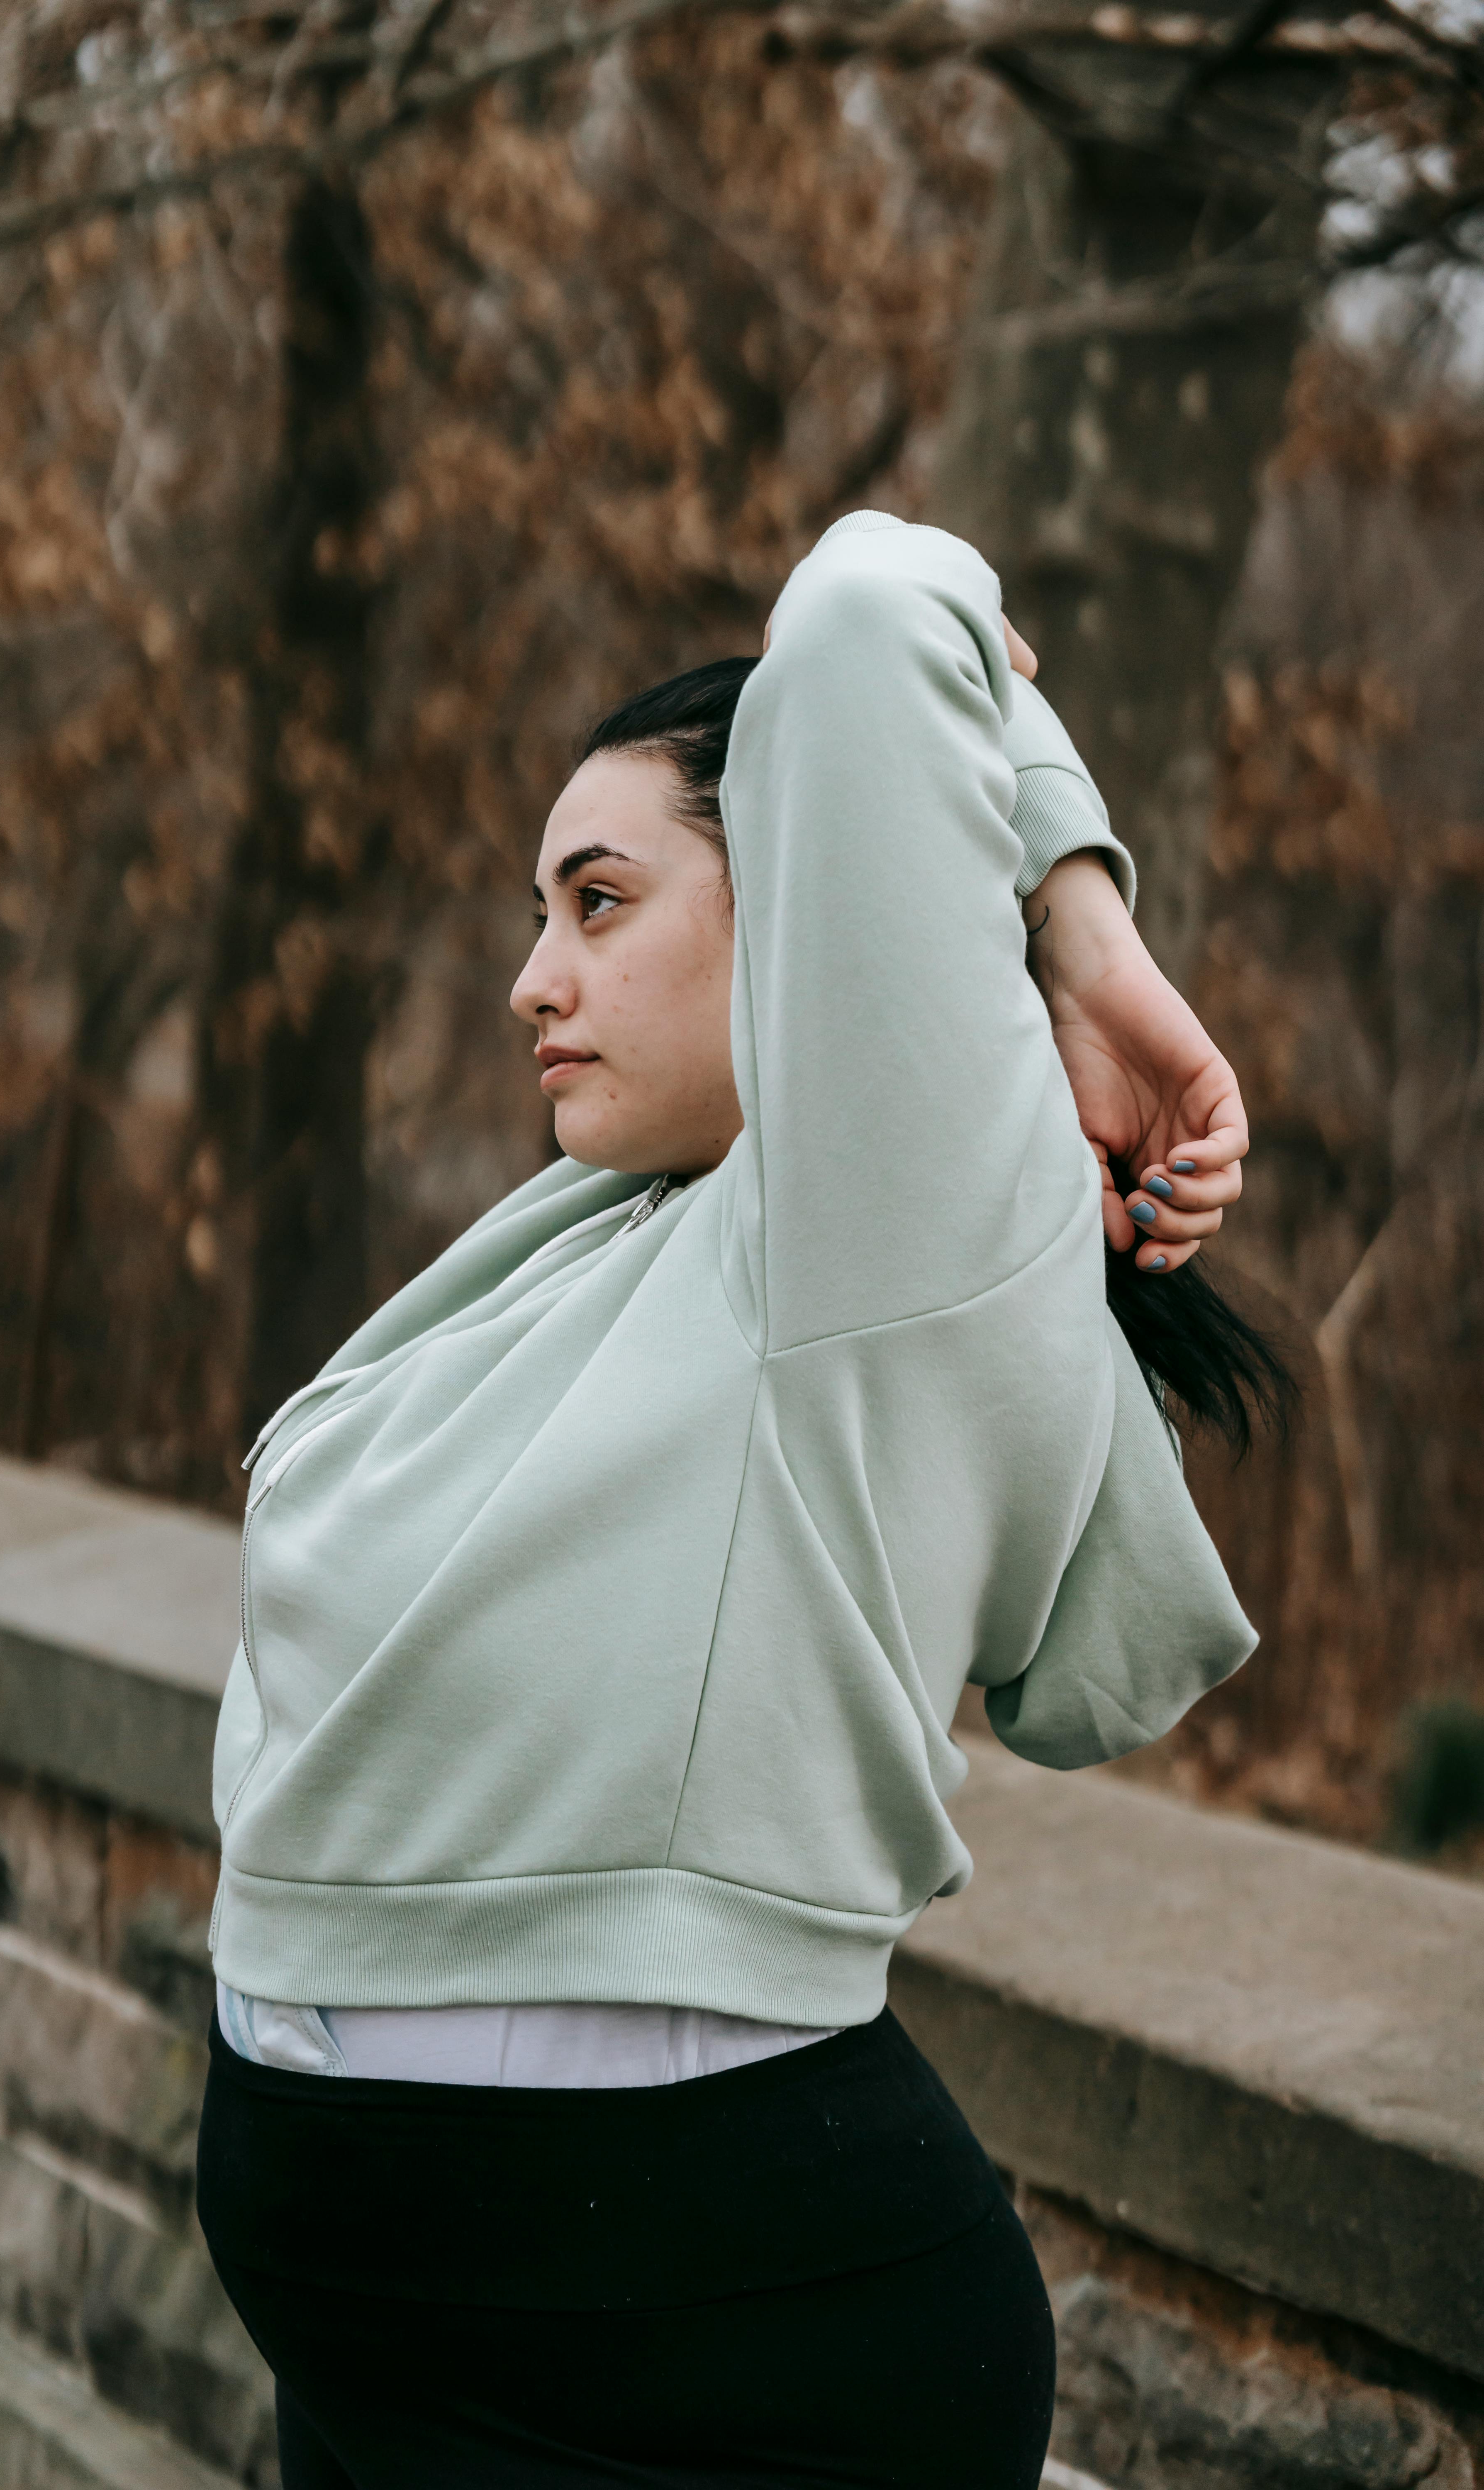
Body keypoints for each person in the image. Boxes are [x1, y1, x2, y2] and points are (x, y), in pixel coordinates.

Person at [196, 512, 1290, 2489]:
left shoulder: (864, 1237)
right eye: (536, 913)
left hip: (698, 2336)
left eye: (598, 901)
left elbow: (877, 601)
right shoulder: (601, 1238)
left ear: (795, 883)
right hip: (391, 2337)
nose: (535, 979)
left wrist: (1072, 918)